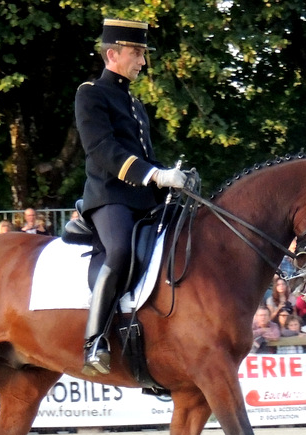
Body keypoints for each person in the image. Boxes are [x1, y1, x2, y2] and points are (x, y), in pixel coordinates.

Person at [75, 18, 186, 374]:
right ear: (112, 54)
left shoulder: (136, 105)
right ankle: (95, 341)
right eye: (136, 53)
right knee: (120, 251)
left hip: (143, 199)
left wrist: (171, 177)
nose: (142, 61)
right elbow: (103, 150)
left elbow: (145, 156)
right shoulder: (90, 92)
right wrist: (152, 174)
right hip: (109, 196)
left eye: (142, 53)